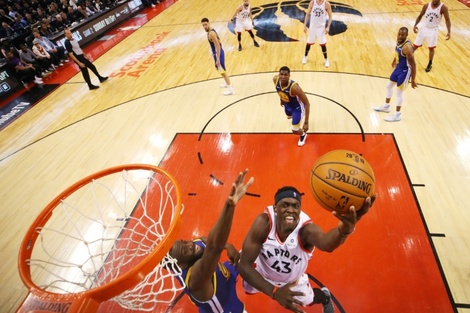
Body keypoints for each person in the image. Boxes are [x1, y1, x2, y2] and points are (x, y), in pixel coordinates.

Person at [239, 186, 376, 313]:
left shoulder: (306, 230)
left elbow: (326, 244)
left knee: (309, 300)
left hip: (292, 281)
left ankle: (325, 296)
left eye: (295, 206)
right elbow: (244, 265)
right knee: (237, 266)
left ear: (300, 210)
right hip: (263, 275)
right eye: (285, 205)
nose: (291, 210)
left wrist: (343, 231)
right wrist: (274, 292)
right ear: (275, 208)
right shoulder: (264, 223)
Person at [168, 169, 254, 313]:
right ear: (181, 265)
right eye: (185, 249)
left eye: (184, 241)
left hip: (224, 276)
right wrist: (230, 205)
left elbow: (204, 240)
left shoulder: (192, 249)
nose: (190, 244)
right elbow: (214, 247)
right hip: (226, 308)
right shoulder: (196, 280)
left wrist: (228, 246)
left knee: (255, 252)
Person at [374, 27, 417, 122]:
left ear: (407, 35)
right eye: (399, 34)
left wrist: (413, 80)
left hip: (405, 72)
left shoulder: (407, 48)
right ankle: (386, 106)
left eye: (403, 35)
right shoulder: (399, 41)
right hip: (398, 68)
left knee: (399, 93)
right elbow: (397, 52)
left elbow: (413, 65)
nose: (400, 36)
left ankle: (397, 114)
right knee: (388, 86)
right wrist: (394, 60)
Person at [273, 66, 311, 146]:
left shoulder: (295, 88)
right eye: (281, 74)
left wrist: (306, 122)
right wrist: (281, 99)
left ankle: (303, 134)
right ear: (279, 74)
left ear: (289, 75)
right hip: (287, 105)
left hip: (297, 108)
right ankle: (294, 117)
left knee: (295, 130)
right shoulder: (275, 79)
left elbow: (307, 103)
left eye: (285, 75)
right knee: (288, 115)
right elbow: (279, 90)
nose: (283, 77)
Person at [412, 0, 451, 72]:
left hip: (433, 30)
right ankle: (404, 60)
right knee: (414, 46)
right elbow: (420, 15)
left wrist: (449, 31)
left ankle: (430, 63)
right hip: (424, 28)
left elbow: (447, 20)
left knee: (431, 48)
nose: (434, 1)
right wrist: (415, 25)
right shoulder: (426, 5)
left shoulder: (443, 7)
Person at [201, 17, 234, 96]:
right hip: (216, 53)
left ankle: (230, 89)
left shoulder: (211, 33)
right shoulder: (210, 30)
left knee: (222, 71)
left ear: (209, 23)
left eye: (206, 24)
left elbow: (218, 46)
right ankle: (226, 83)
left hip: (218, 53)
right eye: (203, 25)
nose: (205, 26)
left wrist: (218, 58)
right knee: (220, 70)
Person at [302, 0, 332, 67]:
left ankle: (326, 59)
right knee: (309, 43)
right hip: (312, 27)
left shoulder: (326, 4)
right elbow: (307, 14)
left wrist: (328, 27)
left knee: (323, 44)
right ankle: (305, 56)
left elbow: (330, 16)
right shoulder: (312, 2)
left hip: (321, 28)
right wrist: (304, 25)